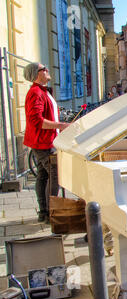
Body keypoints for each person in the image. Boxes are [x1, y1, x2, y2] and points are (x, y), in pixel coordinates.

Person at [23, 63, 70, 223]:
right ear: (36, 74)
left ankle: (44, 211)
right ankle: (51, 213)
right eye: (44, 69)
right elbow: (37, 120)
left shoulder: (41, 91)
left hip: (44, 140)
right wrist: (60, 125)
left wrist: (58, 127)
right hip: (43, 142)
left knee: (43, 175)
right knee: (55, 176)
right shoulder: (36, 92)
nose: (47, 70)